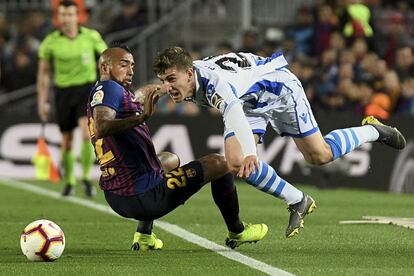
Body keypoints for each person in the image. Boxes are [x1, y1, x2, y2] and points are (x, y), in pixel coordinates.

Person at [153, 46, 407, 238]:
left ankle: (373, 130)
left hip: (277, 89)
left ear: (188, 73)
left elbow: (233, 114)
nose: (166, 87)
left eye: (171, 80)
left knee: (319, 156)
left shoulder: (214, 84)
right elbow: (235, 107)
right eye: (163, 81)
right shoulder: (187, 78)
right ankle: (298, 200)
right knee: (235, 162)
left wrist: (252, 151)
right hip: (247, 101)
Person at [87, 43, 267, 251]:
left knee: (168, 159)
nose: (130, 71)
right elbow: (102, 127)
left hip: (116, 196)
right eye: (124, 65)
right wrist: (143, 117)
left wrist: (164, 88)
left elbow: (139, 96)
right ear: (105, 67)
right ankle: (237, 230)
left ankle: (144, 236)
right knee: (220, 164)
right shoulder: (110, 89)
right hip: (142, 197)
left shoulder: (105, 92)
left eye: (132, 65)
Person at [37, 0, 107, 196]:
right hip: (62, 92)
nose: (66, 18)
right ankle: (69, 180)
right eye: (63, 15)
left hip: (86, 89)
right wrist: (42, 102)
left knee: (86, 134)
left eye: (70, 14)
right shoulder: (50, 42)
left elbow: (107, 59)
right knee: (66, 140)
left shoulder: (91, 37)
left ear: (78, 17)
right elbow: (43, 75)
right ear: (58, 18)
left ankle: (85, 177)